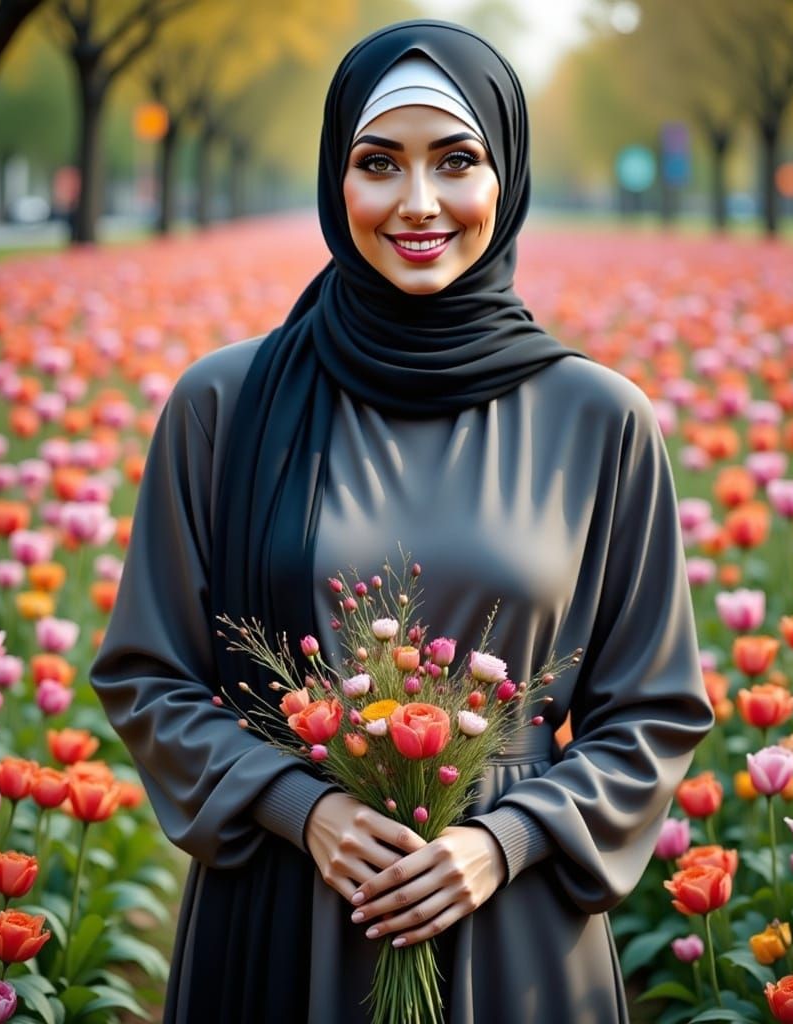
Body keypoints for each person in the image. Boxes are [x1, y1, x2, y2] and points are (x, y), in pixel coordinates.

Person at [90, 19, 714, 1024]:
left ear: (503, 175)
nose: (418, 203)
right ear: (337, 183)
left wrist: (502, 839)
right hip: (283, 906)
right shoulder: (226, 405)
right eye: (378, 164)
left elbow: (653, 708)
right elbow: (147, 674)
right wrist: (307, 807)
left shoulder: (599, 418)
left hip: (518, 926)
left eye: (455, 161)